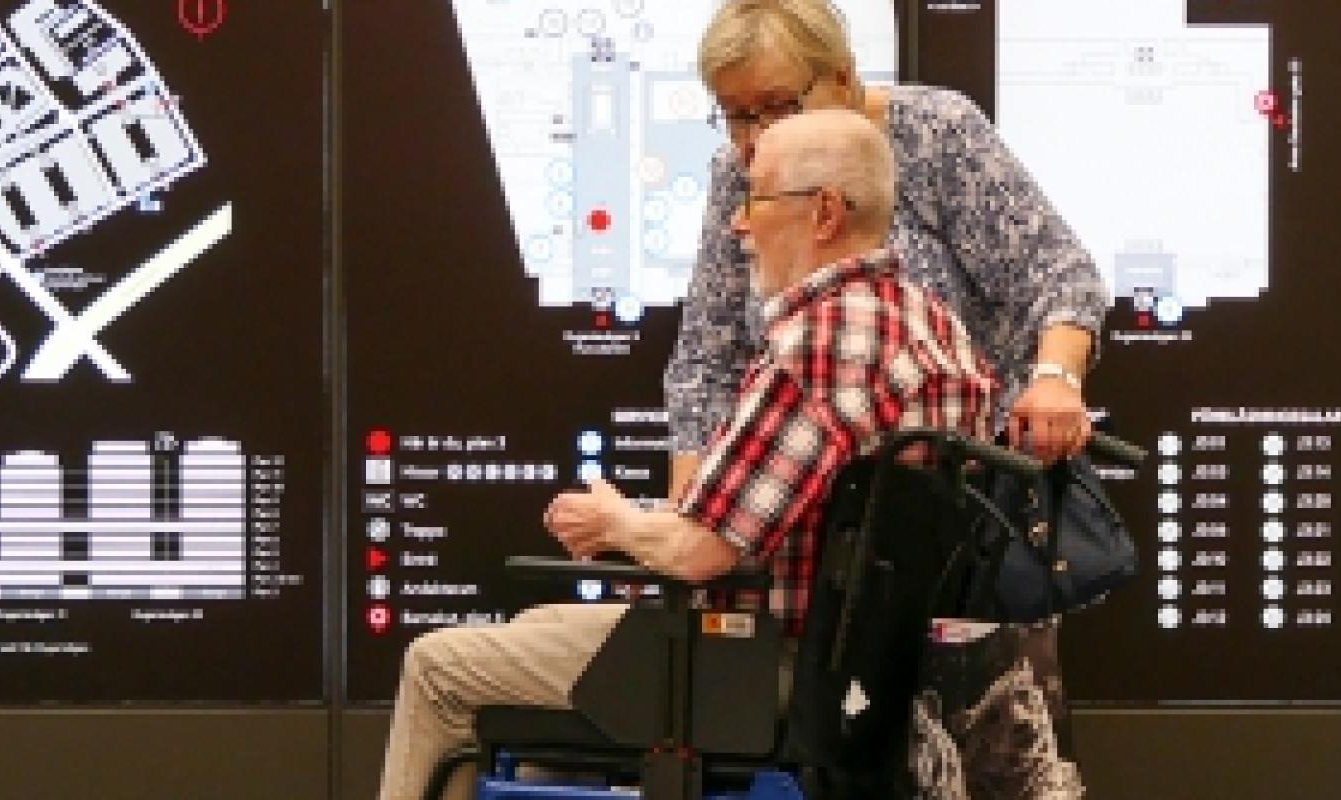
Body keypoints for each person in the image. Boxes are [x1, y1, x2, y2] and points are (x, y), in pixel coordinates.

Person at [376, 109, 1000, 800]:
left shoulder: (821, 344)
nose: (738, 223)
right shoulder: (932, 324)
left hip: (762, 666)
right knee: (535, 630)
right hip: (865, 672)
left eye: (755, 198)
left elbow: (703, 550)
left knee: (438, 667)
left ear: (824, 213)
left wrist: (615, 523)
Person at [666, 0, 1109, 502]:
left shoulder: (936, 133)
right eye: (737, 116)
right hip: (797, 497)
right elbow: (706, 362)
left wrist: (1055, 378)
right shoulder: (742, 168)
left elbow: (1060, 274)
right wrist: (689, 517)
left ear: (841, 76)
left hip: (955, 492)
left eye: (778, 105)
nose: (757, 136)